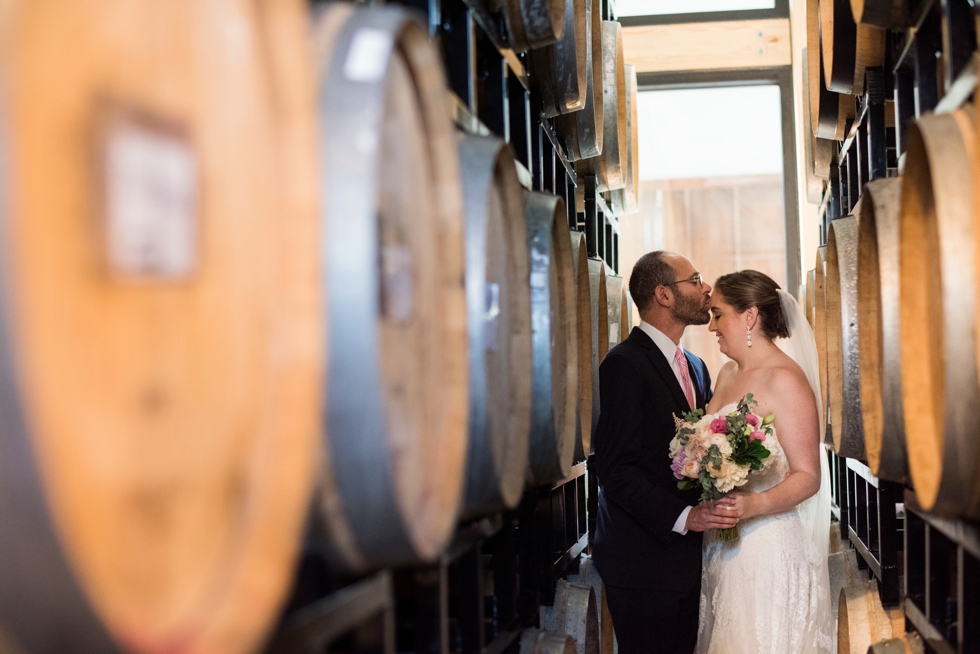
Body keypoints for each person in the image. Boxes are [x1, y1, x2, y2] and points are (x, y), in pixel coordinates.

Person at [592, 251, 739, 654]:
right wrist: (684, 516)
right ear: (664, 295)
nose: (706, 287)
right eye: (695, 279)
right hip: (642, 561)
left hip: (690, 559)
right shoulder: (622, 365)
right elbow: (615, 469)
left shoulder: (695, 365)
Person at [696, 270, 834, 653]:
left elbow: (808, 477)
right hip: (720, 546)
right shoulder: (726, 374)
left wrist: (751, 504)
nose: (712, 327)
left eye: (718, 314)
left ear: (749, 316)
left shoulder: (785, 380)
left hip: (766, 547)